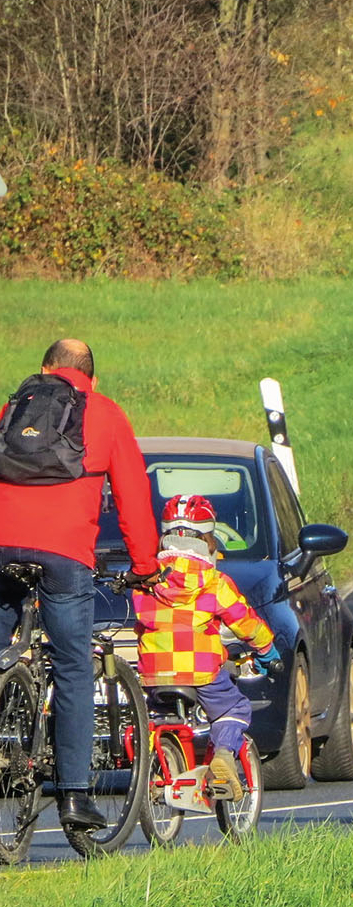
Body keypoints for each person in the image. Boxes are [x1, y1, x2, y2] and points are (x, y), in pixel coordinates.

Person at [0, 339, 160, 830]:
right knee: (71, 668)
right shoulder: (106, 414)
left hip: (2, 548)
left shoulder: (11, 408)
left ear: (45, 369)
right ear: (92, 375)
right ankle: (73, 796)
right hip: (65, 553)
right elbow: (133, 495)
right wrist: (145, 564)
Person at [134, 495, 281, 801]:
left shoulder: (146, 580)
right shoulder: (214, 581)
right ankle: (224, 757)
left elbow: (142, 621)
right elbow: (245, 622)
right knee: (233, 708)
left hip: (154, 670)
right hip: (200, 670)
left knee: (158, 717)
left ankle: (160, 765)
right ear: (208, 539)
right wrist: (267, 649)